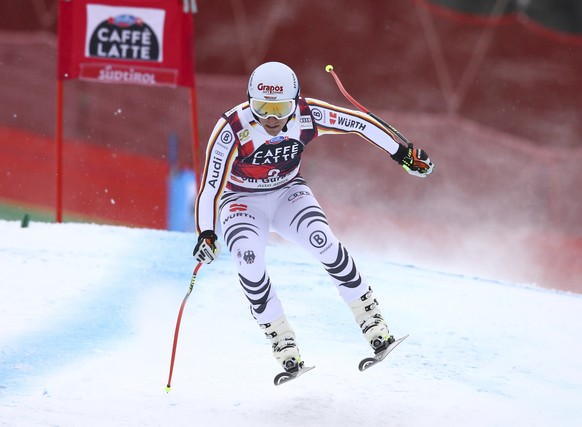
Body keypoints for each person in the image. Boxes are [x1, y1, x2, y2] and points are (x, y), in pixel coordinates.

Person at [193, 61, 434, 374]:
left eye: (280, 108)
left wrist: (402, 153)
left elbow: (359, 122)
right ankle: (281, 339)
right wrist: (206, 234)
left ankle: (372, 321)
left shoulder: (308, 114)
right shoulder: (233, 128)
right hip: (241, 201)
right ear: (249, 101)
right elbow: (211, 187)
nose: (271, 118)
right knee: (249, 261)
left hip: (286, 193)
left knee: (324, 242)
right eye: (262, 107)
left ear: (294, 102)